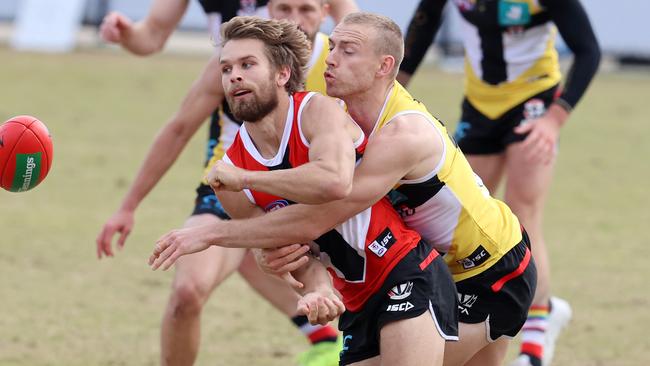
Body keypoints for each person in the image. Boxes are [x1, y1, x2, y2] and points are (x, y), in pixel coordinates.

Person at [149, 12, 536, 366]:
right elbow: (300, 238)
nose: (330, 58)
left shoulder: (403, 132)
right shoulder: (339, 119)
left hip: (489, 268)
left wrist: (214, 228)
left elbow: (321, 211)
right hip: (416, 273)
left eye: (348, 51)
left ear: (384, 67)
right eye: (332, 47)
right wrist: (274, 256)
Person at [95, 1, 358, 365]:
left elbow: (376, 59)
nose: (294, 19)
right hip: (234, 184)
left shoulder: (340, 63)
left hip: (308, 185)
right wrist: (128, 206)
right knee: (189, 289)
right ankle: (325, 335)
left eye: (306, 8)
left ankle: (330, 337)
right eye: (283, 8)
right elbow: (178, 126)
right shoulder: (239, 63)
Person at [397, 1, 601, 365]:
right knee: (465, 216)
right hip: (479, 108)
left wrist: (554, 119)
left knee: (523, 216)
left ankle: (537, 337)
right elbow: (423, 26)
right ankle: (477, 321)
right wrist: (390, 90)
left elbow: (589, 51)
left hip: (534, 103)